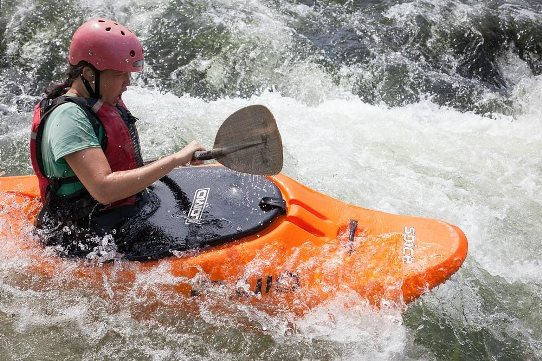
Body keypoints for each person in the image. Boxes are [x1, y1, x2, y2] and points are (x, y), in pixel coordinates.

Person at [30, 18, 206, 258]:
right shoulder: (69, 118)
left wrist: (173, 160)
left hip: (117, 215)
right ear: (88, 73)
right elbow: (103, 190)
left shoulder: (96, 100)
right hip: (87, 235)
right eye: (120, 75)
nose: (127, 84)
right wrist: (174, 160)